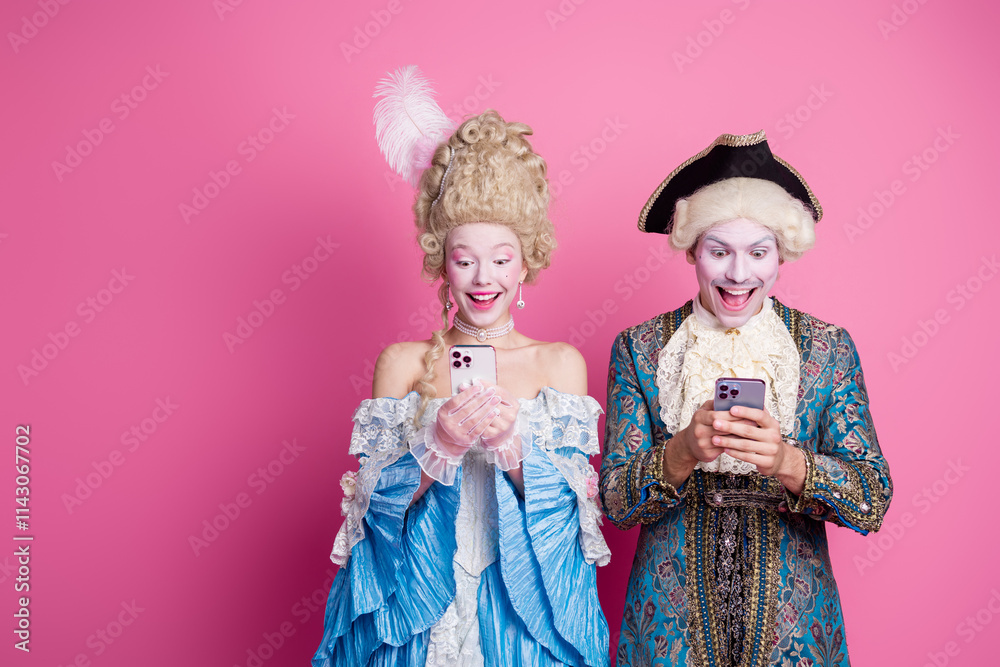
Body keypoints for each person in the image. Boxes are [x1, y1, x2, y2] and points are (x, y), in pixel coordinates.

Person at [313, 85, 610, 666]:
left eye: (501, 258)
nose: (483, 277)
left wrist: (511, 449)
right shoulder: (401, 362)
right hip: (420, 615)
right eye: (464, 257)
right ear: (440, 263)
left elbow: (572, 527)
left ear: (526, 263)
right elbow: (371, 518)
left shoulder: (559, 364)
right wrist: (437, 447)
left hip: (523, 619)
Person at [599, 131, 892, 667]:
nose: (738, 274)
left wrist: (787, 462)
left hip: (795, 635)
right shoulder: (640, 349)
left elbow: (872, 499)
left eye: (758, 252)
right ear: (691, 250)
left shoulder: (827, 349)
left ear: (782, 253)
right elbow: (616, 504)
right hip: (669, 635)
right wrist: (682, 450)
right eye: (719, 251)